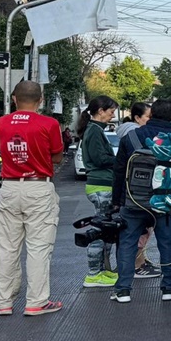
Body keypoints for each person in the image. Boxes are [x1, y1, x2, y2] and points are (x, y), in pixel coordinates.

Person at [0, 80, 64, 316]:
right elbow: (56, 157)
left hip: (10, 187)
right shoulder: (49, 123)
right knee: (38, 247)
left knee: (7, 247)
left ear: (14, 98)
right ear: (41, 100)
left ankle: (3, 301)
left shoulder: (1, 123)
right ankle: (36, 301)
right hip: (38, 187)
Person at [110, 99, 171, 303]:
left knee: (127, 243)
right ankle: (170, 287)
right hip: (164, 199)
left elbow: (119, 171)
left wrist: (117, 201)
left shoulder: (131, 136)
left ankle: (123, 289)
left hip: (133, 200)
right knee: (166, 243)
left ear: (151, 116)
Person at [78, 95, 120, 288]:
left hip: (100, 185)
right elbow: (99, 158)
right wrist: (120, 161)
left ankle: (101, 271)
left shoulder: (94, 129)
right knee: (102, 230)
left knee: (106, 229)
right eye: (111, 112)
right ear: (101, 111)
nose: (112, 116)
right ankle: (94, 273)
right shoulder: (94, 131)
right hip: (101, 185)